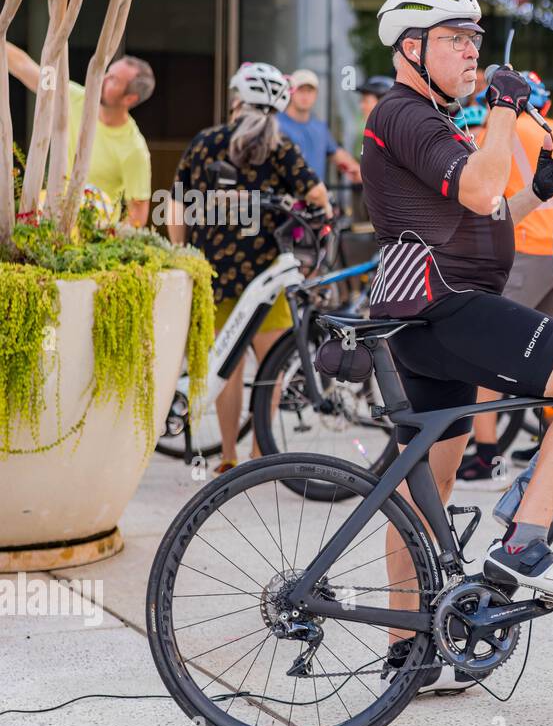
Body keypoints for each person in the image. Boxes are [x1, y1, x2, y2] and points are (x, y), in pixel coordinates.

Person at [362, 0, 553, 680]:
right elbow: (478, 189)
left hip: (425, 316)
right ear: (412, 47)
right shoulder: (406, 114)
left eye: (476, 40)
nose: (472, 53)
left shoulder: (425, 120)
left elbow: (479, 213)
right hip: (446, 309)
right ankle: (524, 544)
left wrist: (536, 192)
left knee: (427, 492)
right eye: (457, 39)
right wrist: (507, 108)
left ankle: (406, 650)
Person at [167, 62, 331, 474]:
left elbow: (175, 203)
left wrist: (181, 251)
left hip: (215, 274)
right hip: (266, 276)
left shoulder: (206, 141)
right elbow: (318, 198)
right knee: (272, 366)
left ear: (237, 100)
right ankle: (262, 454)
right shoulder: (279, 146)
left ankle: (227, 456)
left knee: (228, 367)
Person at [456, 69, 553, 487]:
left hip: (529, 246)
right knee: (551, 352)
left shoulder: (498, 131)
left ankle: (486, 460)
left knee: (482, 348)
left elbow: (480, 192)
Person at [5, 41, 153, 227]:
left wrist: (110, 244)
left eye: (114, 80)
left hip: (91, 237)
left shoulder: (134, 149)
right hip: (48, 219)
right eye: (108, 72)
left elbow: (138, 213)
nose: (103, 78)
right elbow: (24, 67)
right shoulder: (72, 98)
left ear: (130, 98)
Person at [279, 68, 362, 186]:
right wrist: (248, 203)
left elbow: (336, 153)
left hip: (315, 199)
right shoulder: (274, 124)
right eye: (300, 90)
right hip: (283, 199)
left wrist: (359, 171)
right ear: (290, 91)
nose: (305, 95)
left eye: (309, 91)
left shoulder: (320, 128)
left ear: (316, 94)